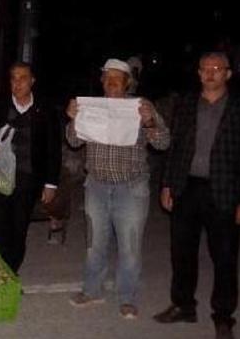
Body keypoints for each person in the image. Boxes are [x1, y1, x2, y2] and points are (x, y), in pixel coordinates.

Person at [154, 52, 240, 339]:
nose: (211, 73)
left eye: (217, 68)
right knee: (181, 253)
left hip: (225, 191)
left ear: (227, 74)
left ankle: (224, 315)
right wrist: (167, 185)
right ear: (199, 73)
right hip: (187, 187)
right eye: (205, 69)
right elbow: (175, 148)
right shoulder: (187, 104)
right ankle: (183, 305)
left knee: (225, 257)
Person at [65, 58, 170, 319]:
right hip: (97, 186)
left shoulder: (141, 107)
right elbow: (73, 141)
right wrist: (72, 119)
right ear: (102, 81)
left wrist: (149, 123)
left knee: (130, 246)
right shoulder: (90, 106)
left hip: (131, 188)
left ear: (127, 82)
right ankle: (92, 290)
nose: (111, 82)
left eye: (117, 78)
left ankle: (128, 297)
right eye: (107, 77)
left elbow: (164, 143)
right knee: (95, 243)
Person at [0, 62, 62, 273]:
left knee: (18, 228)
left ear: (32, 81)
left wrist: (51, 183)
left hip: (28, 177)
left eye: (23, 78)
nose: (17, 82)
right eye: (13, 78)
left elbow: (53, 148)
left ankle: (11, 272)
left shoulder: (45, 109)